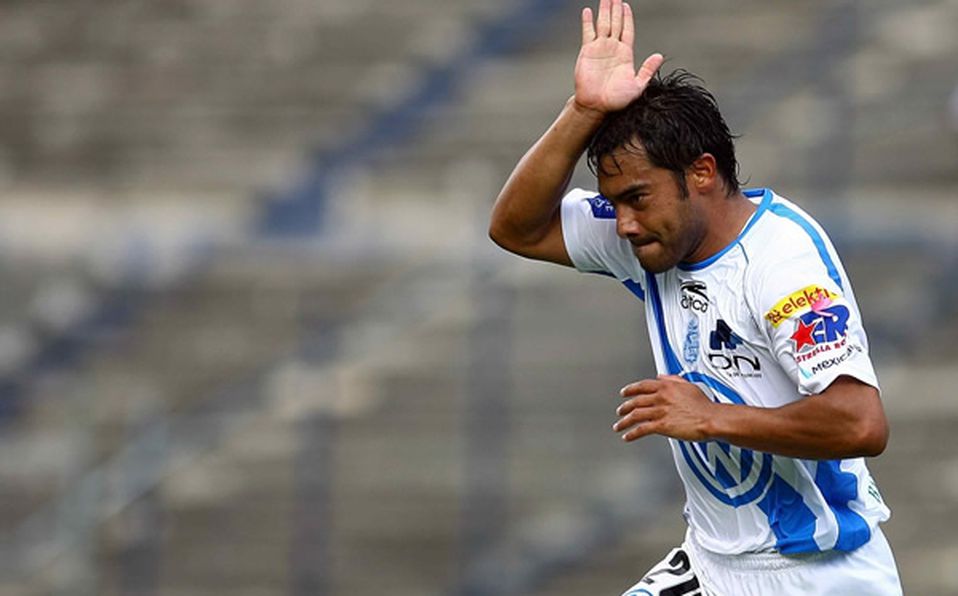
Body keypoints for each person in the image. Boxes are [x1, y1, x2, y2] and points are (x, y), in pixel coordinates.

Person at [488, 0, 903, 594]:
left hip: (821, 574)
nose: (623, 224)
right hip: (712, 565)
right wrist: (583, 111)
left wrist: (710, 416)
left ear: (701, 173)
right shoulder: (652, 237)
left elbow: (860, 423)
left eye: (637, 198)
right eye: (614, 203)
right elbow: (516, 228)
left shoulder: (781, 264)